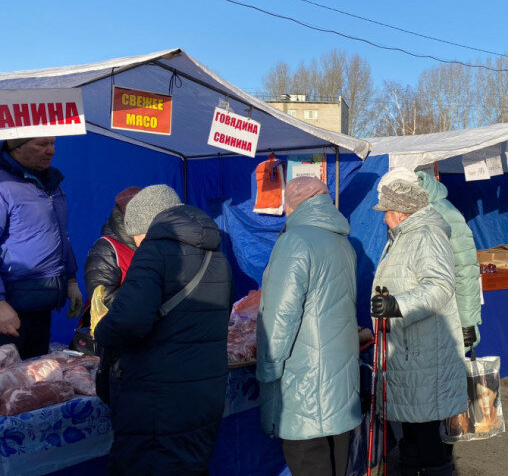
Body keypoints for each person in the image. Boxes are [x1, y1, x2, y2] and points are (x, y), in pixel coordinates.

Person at [94, 185, 233, 476]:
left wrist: (101, 332)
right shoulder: (216, 254)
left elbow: (129, 320)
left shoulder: (155, 251)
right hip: (204, 392)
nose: (135, 241)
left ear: (148, 223)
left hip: (158, 399)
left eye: (135, 234)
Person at [257, 177, 360, 476]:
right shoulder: (343, 241)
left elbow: (279, 318)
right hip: (340, 381)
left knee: (309, 463)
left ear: (291, 205)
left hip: (305, 385)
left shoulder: (295, 241)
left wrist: (267, 371)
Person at [370, 169, 467, 476]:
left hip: (425, 353)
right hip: (411, 351)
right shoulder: (403, 236)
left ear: (400, 212)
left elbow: (439, 287)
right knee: (412, 432)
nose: (384, 218)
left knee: (425, 436)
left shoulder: (426, 235)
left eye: (386, 212)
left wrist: (395, 305)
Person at [0, 137, 82, 359]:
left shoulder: (51, 183)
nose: (52, 151)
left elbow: (61, 236)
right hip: (10, 311)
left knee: (34, 382)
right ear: (16, 146)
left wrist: (71, 280)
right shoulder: (3, 185)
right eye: (42, 144)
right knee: (8, 386)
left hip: (42, 304)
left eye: (53, 143)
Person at [416, 170, 482, 350]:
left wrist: (468, 321)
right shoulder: (413, 216)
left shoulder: (446, 214)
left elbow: (465, 269)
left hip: (445, 312)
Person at [84, 186, 141, 308]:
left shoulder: (157, 244)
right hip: (120, 324)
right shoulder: (105, 249)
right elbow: (102, 301)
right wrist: (149, 291)